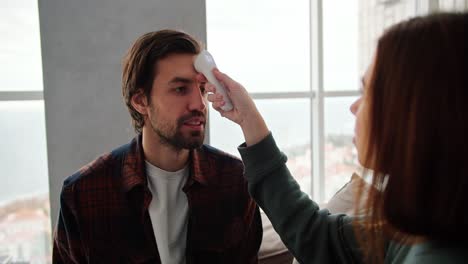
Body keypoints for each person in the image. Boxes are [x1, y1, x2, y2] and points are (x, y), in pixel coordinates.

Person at [206, 12, 468, 263]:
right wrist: (248, 119)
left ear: (414, 112)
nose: (354, 107)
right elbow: (317, 235)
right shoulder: (415, 230)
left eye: (368, 92)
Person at [53, 30, 262, 263]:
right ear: (141, 101)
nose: (199, 104)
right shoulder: (82, 194)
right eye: (180, 89)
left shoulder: (235, 181)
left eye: (202, 89)